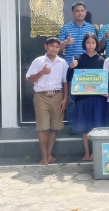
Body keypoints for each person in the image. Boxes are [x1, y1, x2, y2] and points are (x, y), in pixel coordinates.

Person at [26, 37, 69, 165]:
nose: (54, 49)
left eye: (57, 46)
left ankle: (50, 154)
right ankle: (44, 156)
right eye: (51, 46)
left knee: (54, 127)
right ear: (46, 47)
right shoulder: (38, 61)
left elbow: (66, 81)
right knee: (43, 128)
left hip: (57, 96)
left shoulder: (62, 63)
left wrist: (65, 98)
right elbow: (30, 79)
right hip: (41, 97)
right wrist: (42, 72)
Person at [67, 33, 107, 161]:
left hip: (97, 99)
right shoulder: (78, 59)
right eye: (88, 42)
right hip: (82, 98)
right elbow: (69, 78)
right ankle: (86, 152)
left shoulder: (101, 60)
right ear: (84, 43)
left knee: (96, 126)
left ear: (96, 44)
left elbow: (106, 80)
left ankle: (95, 152)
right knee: (84, 127)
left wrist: (107, 91)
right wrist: (71, 68)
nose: (90, 45)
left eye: (93, 43)